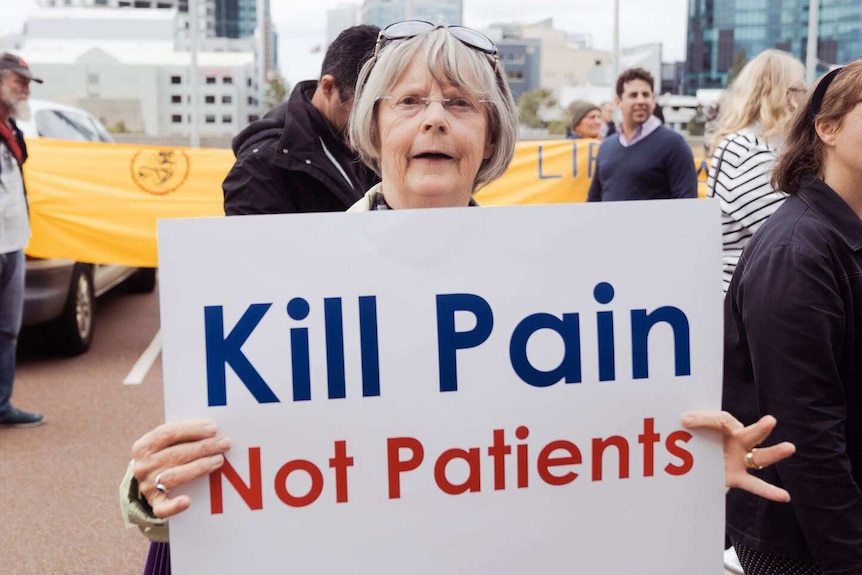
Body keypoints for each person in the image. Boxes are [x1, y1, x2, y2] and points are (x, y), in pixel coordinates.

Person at [120, 21, 796, 565]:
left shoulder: (561, 289)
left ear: (492, 134)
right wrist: (154, 494)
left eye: (460, 103)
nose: (435, 119)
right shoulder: (280, 281)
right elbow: (229, 483)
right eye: (410, 102)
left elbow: (581, 462)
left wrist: (684, 470)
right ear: (373, 129)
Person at [723, 60, 862, 575]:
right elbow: (808, 435)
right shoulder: (798, 250)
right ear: (826, 128)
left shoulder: (838, 233)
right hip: (804, 540)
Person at [221, 25, 380, 215]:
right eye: (366, 108)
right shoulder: (260, 169)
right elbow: (250, 243)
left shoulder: (358, 146)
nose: (374, 120)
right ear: (328, 88)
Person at [706, 49, 806, 293]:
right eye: (802, 90)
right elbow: (795, 231)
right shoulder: (742, 149)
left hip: (758, 290)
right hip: (741, 298)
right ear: (780, 94)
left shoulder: (767, 146)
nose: (806, 99)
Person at [0, 52, 44, 428]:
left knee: (8, 329)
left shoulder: (12, 129)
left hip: (12, 241)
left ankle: (2, 404)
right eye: (20, 81)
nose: (26, 89)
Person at [586, 68, 697, 202]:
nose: (640, 101)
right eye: (633, 95)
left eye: (646, 95)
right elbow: (594, 201)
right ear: (618, 102)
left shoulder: (674, 145)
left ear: (653, 100)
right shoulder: (606, 147)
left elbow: (687, 203)